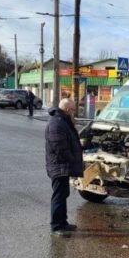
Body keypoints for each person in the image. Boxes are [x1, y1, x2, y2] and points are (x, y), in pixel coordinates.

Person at [45, 98, 83, 237]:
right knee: (59, 196)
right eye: (73, 110)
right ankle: (56, 226)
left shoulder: (62, 121)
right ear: (67, 110)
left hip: (62, 165)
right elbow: (59, 147)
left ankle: (63, 222)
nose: (74, 112)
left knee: (63, 194)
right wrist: (72, 160)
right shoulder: (57, 123)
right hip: (59, 165)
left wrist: (71, 123)